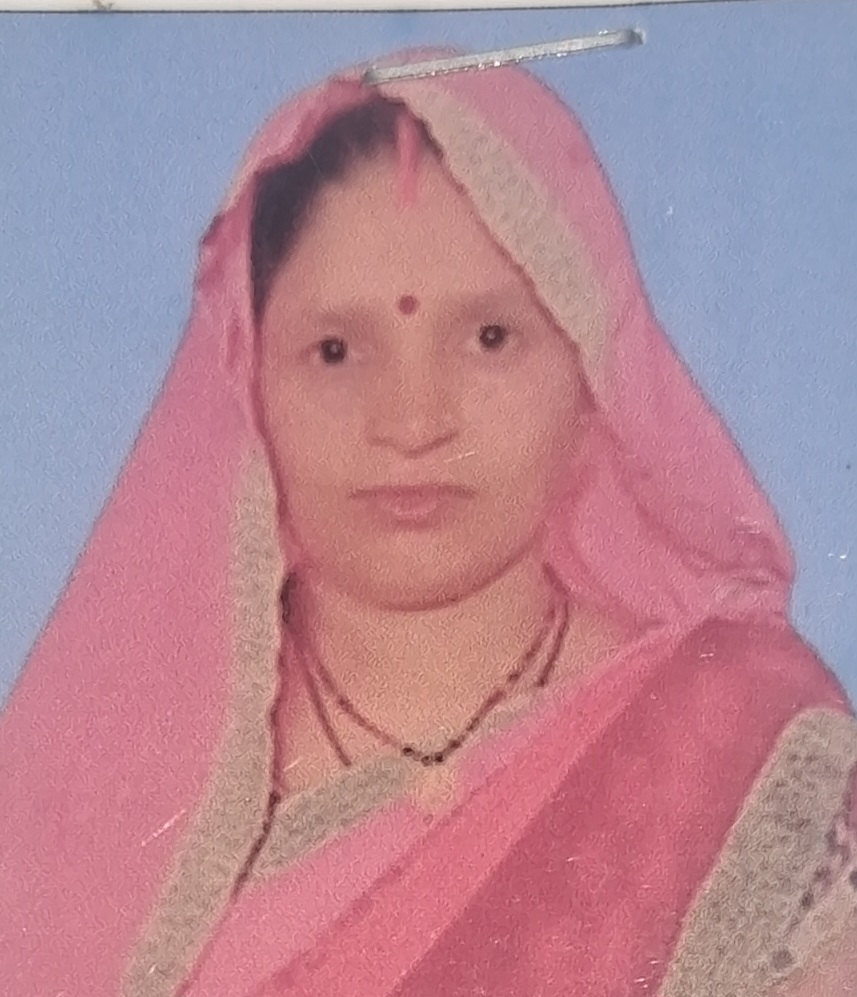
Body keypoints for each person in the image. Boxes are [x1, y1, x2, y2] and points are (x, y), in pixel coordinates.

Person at [1, 49, 855, 997]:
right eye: (336, 350)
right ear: (248, 387)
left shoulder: (740, 754)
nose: (412, 422)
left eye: (489, 338)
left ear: (590, 375)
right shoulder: (106, 785)